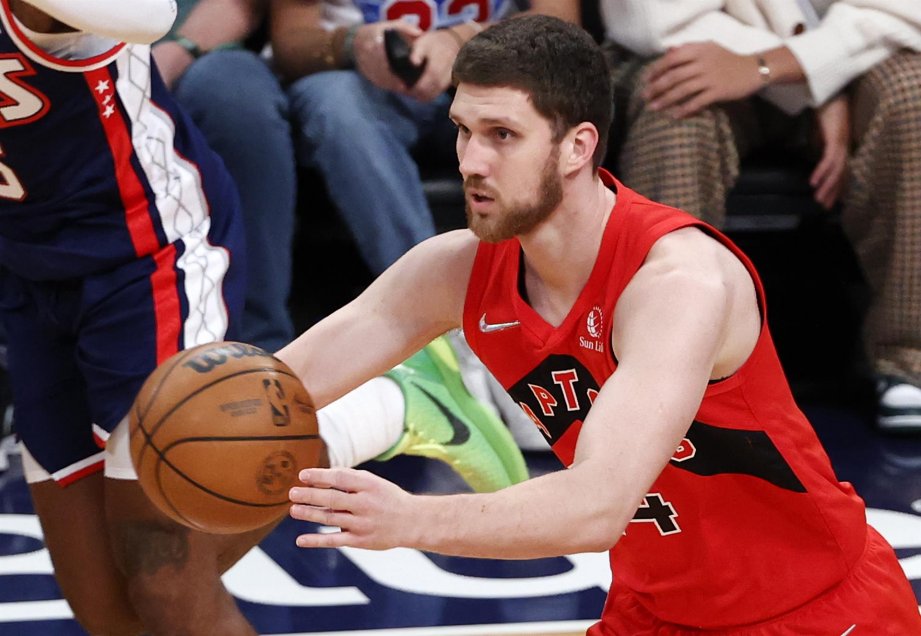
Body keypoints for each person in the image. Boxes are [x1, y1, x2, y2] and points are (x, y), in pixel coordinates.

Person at [284, 15, 921, 633]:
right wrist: (200, 407)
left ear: (577, 147)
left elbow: (596, 507)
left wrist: (411, 520)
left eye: (502, 134)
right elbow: (280, 382)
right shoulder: (452, 270)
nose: (471, 160)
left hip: (815, 611)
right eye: (462, 129)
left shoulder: (680, 282)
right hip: (652, 613)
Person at [0, 1, 525, 634]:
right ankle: (392, 403)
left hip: (143, 257)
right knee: (110, 614)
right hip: (29, 274)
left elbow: (146, 13)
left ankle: (376, 414)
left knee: (167, 588)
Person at [585, 0, 921, 433]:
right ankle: (669, 364)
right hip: (701, 47)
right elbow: (656, 18)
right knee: (675, 102)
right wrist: (803, 86)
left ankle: (908, 356)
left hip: (857, 58)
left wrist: (802, 68)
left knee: (912, 94)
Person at [269, 0, 579, 276]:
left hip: (494, 77)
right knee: (336, 104)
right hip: (363, 90)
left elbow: (561, 21)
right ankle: (435, 302)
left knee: (548, 99)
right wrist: (352, 44)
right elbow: (289, 41)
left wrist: (466, 38)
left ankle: (558, 296)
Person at [153, 0, 297, 352]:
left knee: (232, 94)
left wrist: (177, 51)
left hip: (195, 52)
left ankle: (254, 348)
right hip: (54, 54)